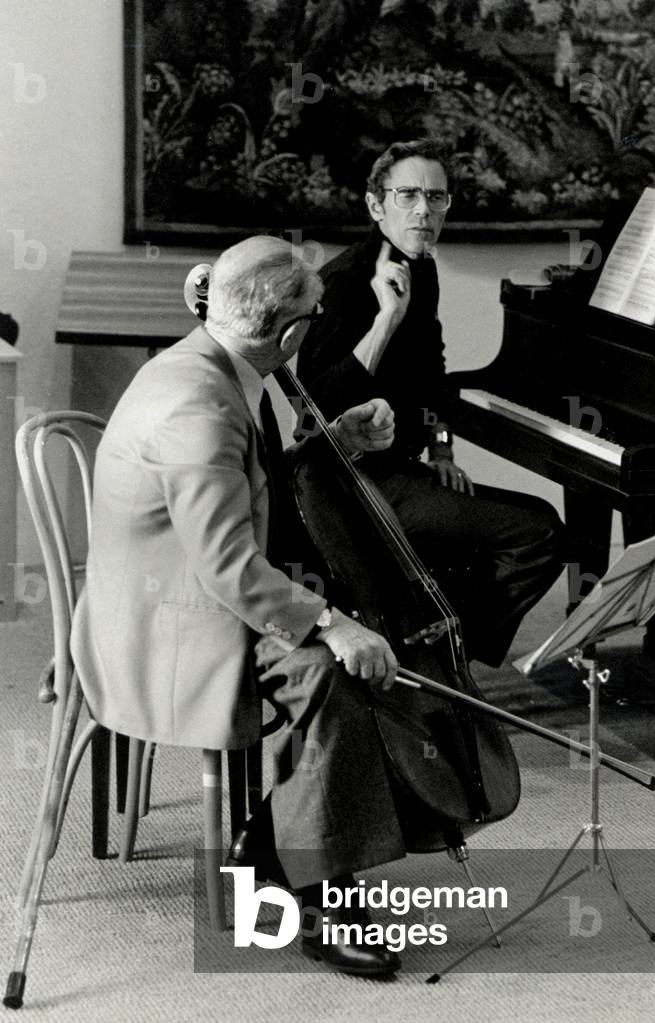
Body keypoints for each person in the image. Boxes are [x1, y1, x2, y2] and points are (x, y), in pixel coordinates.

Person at [71, 236, 416, 977]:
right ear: (287, 336)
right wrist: (331, 623)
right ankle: (318, 896)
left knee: (349, 644)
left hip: (182, 590)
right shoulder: (198, 407)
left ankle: (272, 842)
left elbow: (243, 485)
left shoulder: (211, 362)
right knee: (332, 673)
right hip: (165, 628)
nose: (315, 331)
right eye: (314, 318)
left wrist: (332, 443)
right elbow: (229, 565)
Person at [297, 139, 565, 668]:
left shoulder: (421, 266)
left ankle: (440, 648)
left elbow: (434, 373)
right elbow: (316, 406)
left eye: (437, 197)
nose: (424, 210)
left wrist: (442, 447)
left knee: (537, 519)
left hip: (405, 468)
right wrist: (386, 321)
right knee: (537, 533)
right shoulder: (342, 282)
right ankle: (443, 654)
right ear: (376, 205)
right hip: (352, 483)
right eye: (408, 195)